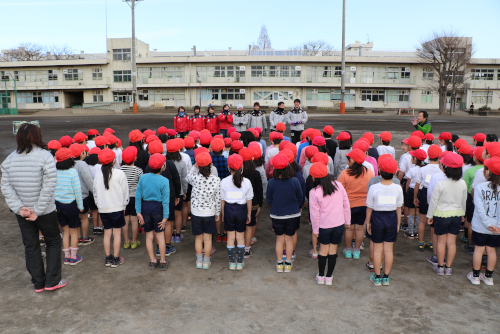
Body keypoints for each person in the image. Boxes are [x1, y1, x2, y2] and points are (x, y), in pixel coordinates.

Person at [1, 123, 66, 292]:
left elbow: (6, 187)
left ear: (18, 138)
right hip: (44, 211)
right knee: (53, 242)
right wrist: (37, 209)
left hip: (23, 213)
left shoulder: (9, 160)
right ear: (38, 136)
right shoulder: (45, 156)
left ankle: (38, 283)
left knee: (31, 245)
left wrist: (19, 208)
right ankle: (52, 281)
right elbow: (49, 185)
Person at [309, 163, 350, 285]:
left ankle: (321, 276)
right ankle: (329, 277)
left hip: (323, 226)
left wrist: (315, 231)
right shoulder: (339, 185)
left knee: (323, 251)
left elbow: (314, 214)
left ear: (314, 178)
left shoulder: (314, 192)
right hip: (338, 224)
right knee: (333, 251)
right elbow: (346, 204)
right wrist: (347, 221)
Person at [427, 153, 467, 276]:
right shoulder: (462, 183)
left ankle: (440, 267)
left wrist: (430, 216)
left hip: (441, 215)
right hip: (456, 215)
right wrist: (463, 215)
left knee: (441, 242)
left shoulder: (441, 184)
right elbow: (463, 201)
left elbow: (434, 202)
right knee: (451, 243)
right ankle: (448, 268)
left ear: (445, 168)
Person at [365, 157, 403, 286]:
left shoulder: (374, 188)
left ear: (379, 170)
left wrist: (368, 223)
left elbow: (369, 208)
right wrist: (398, 223)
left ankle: (377, 276)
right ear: (394, 173)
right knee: (388, 250)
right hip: (392, 218)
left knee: (377, 250)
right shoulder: (398, 188)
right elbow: (399, 208)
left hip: (377, 218)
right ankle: (386, 277)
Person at [93, 149, 129, 268]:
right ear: (114, 160)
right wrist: (124, 205)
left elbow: (95, 192)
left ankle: (108, 257)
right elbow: (125, 192)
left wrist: (99, 205)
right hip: (117, 208)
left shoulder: (98, 173)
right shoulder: (119, 173)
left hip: (103, 208)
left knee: (107, 233)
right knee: (117, 234)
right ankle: (116, 258)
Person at [267, 154, 303, 273]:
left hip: (277, 214)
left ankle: (279, 264)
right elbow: (300, 197)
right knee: (289, 239)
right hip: (293, 214)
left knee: (279, 239)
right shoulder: (295, 181)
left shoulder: (271, 182)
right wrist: (298, 206)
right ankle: (288, 263)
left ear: (275, 169)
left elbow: (269, 199)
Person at [337, 148, 375, 259]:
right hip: (364, 206)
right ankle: (357, 251)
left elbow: (338, 190)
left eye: (348, 159)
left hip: (349, 206)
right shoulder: (369, 172)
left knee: (349, 228)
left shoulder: (345, 173)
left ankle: (348, 250)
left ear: (352, 161)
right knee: (359, 229)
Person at [468, 156, 500, 285]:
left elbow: (479, 208)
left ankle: (475, 277)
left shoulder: (480, 187)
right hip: (497, 228)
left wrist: (487, 224)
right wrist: (496, 226)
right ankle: (488, 277)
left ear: (487, 172)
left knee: (479, 250)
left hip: (481, 226)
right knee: (491, 251)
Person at [186, 152, 221, 269]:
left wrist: (194, 166)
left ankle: (198, 261)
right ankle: (206, 262)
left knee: (198, 238)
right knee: (208, 239)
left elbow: (187, 177)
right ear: (211, 165)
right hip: (209, 213)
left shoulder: (194, 178)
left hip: (196, 212)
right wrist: (217, 213)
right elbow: (217, 198)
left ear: (198, 166)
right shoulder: (216, 180)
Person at [135, 153, 170, 270]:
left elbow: (138, 195)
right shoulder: (164, 180)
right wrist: (165, 218)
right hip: (158, 209)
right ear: (163, 166)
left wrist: (138, 212)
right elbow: (165, 201)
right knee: (160, 237)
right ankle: (163, 261)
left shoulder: (143, 177)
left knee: (149, 236)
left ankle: (152, 260)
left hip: (145, 208)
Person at [221, 154, 254, 270]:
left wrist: (223, 214)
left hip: (229, 211)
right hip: (241, 211)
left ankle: (231, 262)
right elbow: (249, 199)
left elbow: (222, 201)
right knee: (240, 238)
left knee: (230, 237)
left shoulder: (224, 181)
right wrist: (249, 213)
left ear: (228, 167)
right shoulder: (247, 182)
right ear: (242, 167)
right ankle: (239, 262)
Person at [53, 148, 84, 266]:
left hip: (58, 205)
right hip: (71, 205)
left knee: (65, 231)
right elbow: (77, 191)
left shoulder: (54, 172)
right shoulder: (72, 173)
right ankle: (74, 256)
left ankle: (66, 257)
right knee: (74, 231)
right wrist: (80, 206)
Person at [414, 145, 442, 251]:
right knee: (433, 220)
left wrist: (415, 197)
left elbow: (417, 185)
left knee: (422, 220)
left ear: (428, 156)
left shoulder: (423, 169)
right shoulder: (440, 169)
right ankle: (431, 242)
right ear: (439, 156)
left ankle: (421, 242)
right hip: (436, 194)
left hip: (424, 192)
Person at [239, 148, 263, 259]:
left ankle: (240, 246)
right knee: (249, 226)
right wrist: (260, 204)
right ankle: (246, 249)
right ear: (252, 159)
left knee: (241, 226)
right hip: (252, 204)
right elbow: (259, 190)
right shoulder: (256, 173)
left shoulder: (237, 173)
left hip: (239, 203)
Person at [69, 143, 95, 246]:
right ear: (82, 154)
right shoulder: (82, 164)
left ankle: (78, 237)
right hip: (83, 195)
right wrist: (94, 191)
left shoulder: (68, 164)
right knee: (84, 217)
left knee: (76, 217)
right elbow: (88, 180)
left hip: (71, 196)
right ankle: (85, 237)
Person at [120, 146, 143, 249]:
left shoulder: (119, 170)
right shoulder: (139, 171)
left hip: (123, 198)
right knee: (134, 220)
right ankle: (134, 241)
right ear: (135, 158)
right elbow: (141, 185)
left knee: (125, 220)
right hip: (135, 198)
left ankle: (126, 241)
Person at [166, 140, 188, 243]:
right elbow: (183, 178)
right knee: (178, 213)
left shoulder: (164, 163)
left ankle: (170, 235)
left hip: (167, 192)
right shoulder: (182, 163)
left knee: (169, 215)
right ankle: (178, 235)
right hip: (179, 190)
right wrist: (185, 191)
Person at [405, 149, 427, 239]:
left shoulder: (412, 170)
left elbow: (408, 182)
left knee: (411, 211)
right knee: (418, 212)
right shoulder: (424, 169)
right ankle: (418, 232)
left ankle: (411, 232)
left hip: (411, 190)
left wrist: (406, 191)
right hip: (420, 191)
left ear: (414, 159)